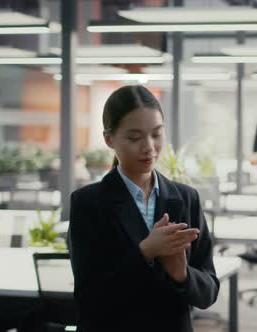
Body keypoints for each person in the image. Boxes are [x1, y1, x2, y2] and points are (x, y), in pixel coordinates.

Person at [68, 85, 219, 331]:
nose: (149, 146)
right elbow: (90, 299)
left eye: (156, 134)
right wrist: (146, 251)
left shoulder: (186, 198)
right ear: (109, 139)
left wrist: (182, 273)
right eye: (134, 137)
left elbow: (209, 292)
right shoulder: (88, 203)